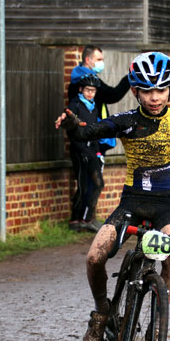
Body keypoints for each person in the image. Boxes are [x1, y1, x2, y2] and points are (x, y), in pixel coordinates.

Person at [55, 51, 170, 341]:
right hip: (131, 205)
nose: (155, 97)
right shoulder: (126, 120)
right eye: (148, 90)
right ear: (136, 91)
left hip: (165, 206)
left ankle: (157, 319)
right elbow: (90, 131)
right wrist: (73, 125)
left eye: (161, 89)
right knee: (93, 257)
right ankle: (102, 313)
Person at [65, 45, 130, 230]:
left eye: (93, 91)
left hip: (92, 143)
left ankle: (82, 219)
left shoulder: (84, 84)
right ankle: (82, 219)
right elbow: (115, 94)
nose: (91, 92)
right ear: (88, 60)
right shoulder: (86, 83)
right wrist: (129, 79)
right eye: (99, 59)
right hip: (83, 145)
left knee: (89, 182)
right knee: (90, 183)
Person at [65, 74, 106, 233]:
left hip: (92, 150)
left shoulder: (94, 106)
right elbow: (72, 131)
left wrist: (97, 151)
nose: (90, 93)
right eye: (88, 90)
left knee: (98, 183)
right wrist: (82, 149)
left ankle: (88, 218)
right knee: (82, 185)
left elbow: (94, 130)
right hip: (79, 150)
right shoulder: (75, 106)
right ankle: (75, 219)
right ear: (81, 89)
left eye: (93, 91)